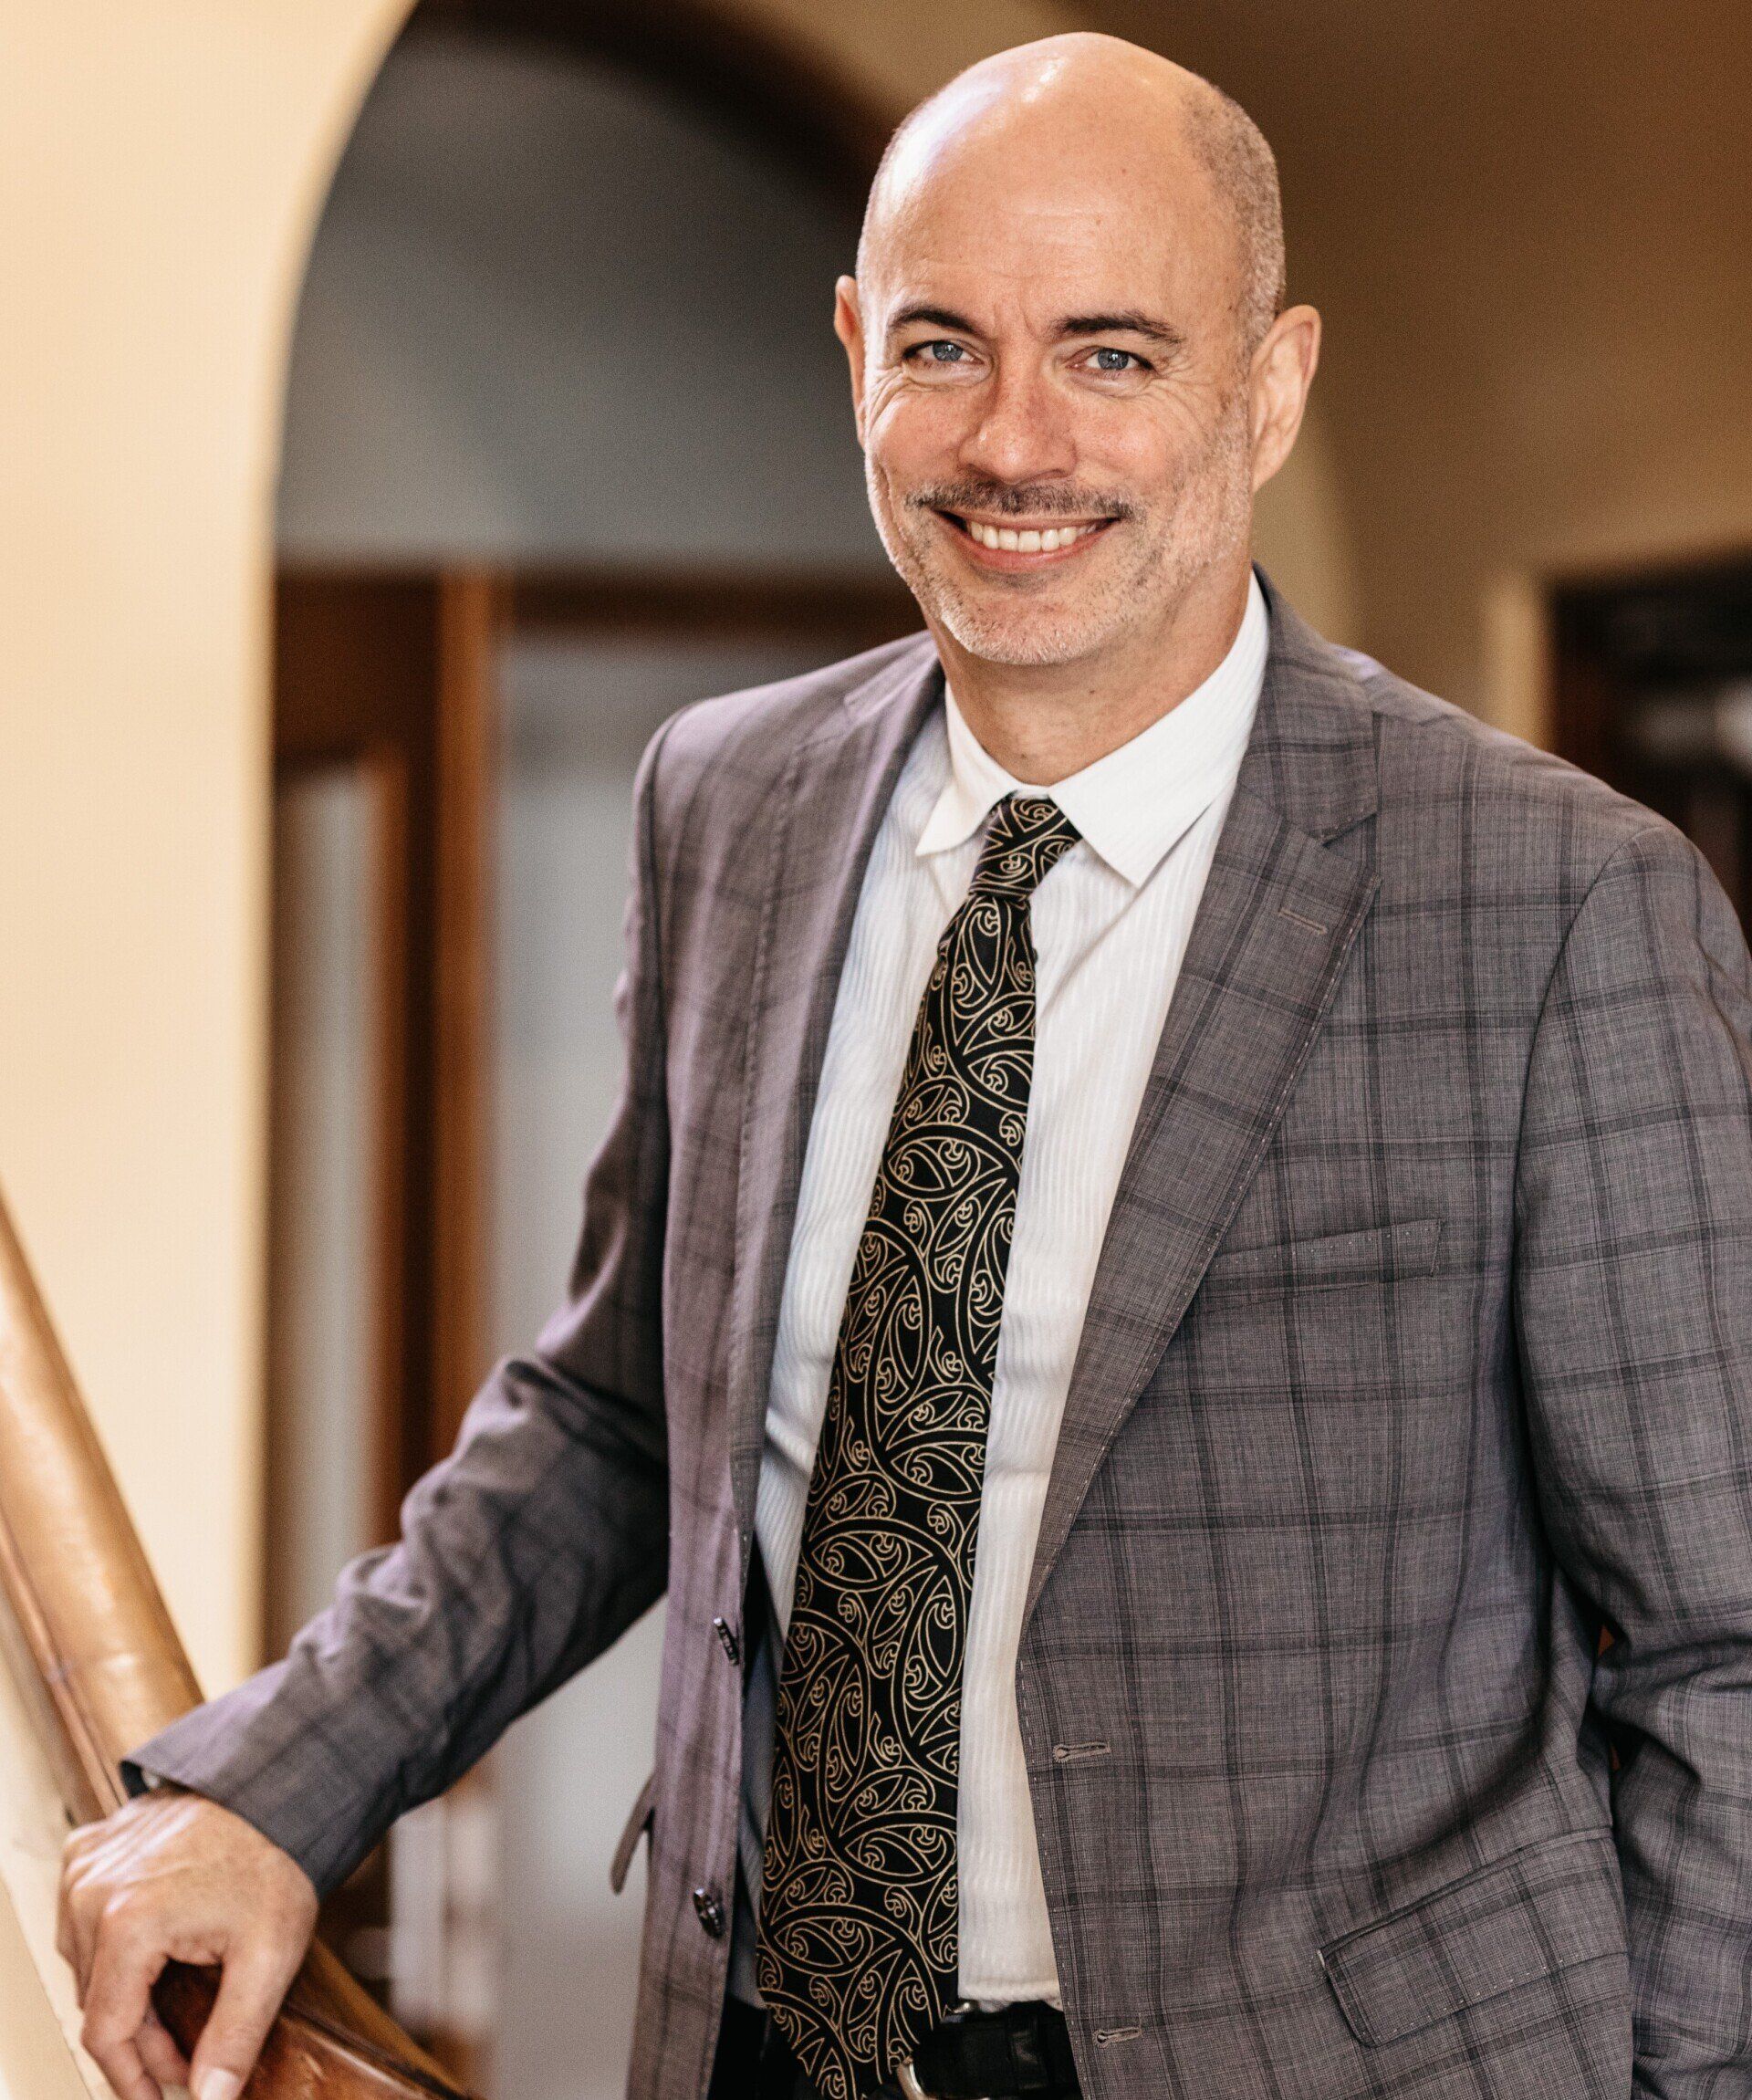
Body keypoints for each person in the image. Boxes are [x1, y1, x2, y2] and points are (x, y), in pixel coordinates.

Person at [57, 30, 1752, 2100]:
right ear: (857, 345)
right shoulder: (733, 805)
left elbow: (1721, 1643)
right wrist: (264, 1785)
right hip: (777, 2049)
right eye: (945, 345)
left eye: (1114, 353)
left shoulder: (1556, 900)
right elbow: (617, 1420)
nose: (1013, 439)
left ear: (1275, 382)